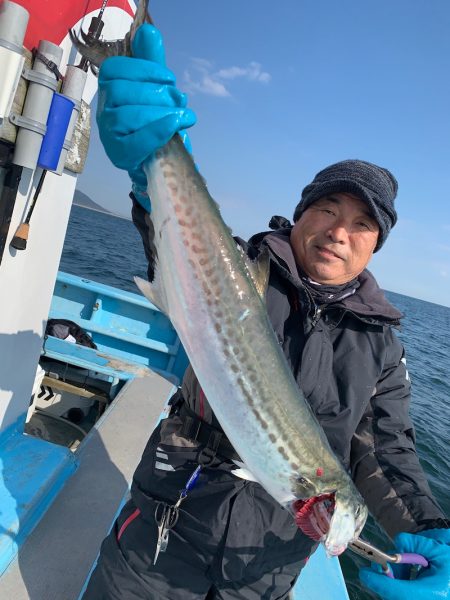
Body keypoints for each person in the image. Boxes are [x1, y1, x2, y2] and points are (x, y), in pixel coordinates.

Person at [83, 23, 450, 600]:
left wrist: (430, 531)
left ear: (375, 247)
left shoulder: (381, 346)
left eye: (361, 225)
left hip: (265, 573)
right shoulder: (243, 268)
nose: (338, 232)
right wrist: (151, 175)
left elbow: (387, 449)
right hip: (162, 535)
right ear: (300, 214)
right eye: (327, 209)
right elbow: (177, 246)